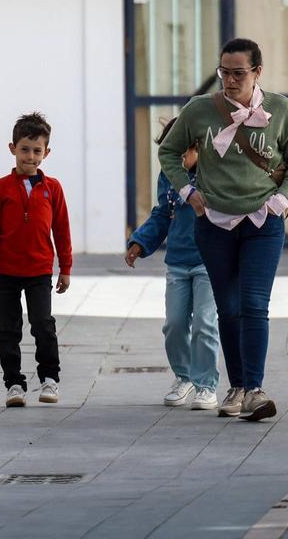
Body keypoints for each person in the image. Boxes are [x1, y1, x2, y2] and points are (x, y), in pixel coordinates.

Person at [158, 38, 288, 422]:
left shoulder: (280, 109)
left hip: (263, 223)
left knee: (254, 304)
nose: (230, 80)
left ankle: (255, 391)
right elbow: (168, 152)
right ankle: (238, 386)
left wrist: (281, 199)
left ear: (257, 72)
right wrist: (187, 190)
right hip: (214, 224)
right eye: (223, 72)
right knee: (227, 309)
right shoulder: (199, 110)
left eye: (238, 73)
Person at [125, 121, 220, 411]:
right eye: (171, 153)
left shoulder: (214, 175)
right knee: (175, 325)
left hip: (208, 262)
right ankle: (184, 378)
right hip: (178, 263)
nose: (176, 159)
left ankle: (206, 385)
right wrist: (139, 243)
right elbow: (162, 214)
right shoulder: (168, 177)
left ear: (197, 148)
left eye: (182, 152)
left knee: (205, 324)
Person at [0, 112, 72, 407]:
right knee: (8, 329)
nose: (30, 156)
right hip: (5, 271)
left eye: (36, 151)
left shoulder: (53, 188)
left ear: (46, 153)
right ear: (12, 149)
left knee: (43, 323)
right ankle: (14, 385)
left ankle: (50, 379)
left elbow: (62, 229)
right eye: (24, 149)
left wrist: (65, 268)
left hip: (39, 270)